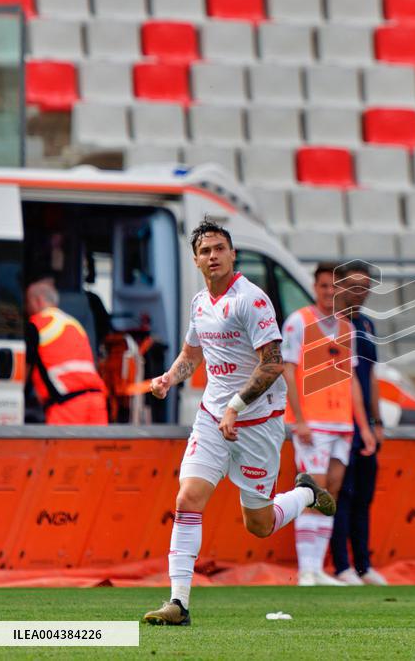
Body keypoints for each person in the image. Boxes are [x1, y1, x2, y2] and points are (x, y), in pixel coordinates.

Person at [143, 221, 335, 626]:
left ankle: (305, 493)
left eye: (219, 248)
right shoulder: (200, 303)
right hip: (213, 418)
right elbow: (192, 355)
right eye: (205, 250)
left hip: (258, 422)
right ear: (195, 260)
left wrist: (236, 406)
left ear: (232, 254)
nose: (213, 256)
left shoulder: (252, 300)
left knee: (259, 525)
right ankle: (178, 603)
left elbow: (273, 364)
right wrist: (168, 378)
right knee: (187, 498)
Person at [282, 263, 377, 587]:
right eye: (323, 286)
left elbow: (352, 381)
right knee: (314, 490)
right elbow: (288, 372)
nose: (328, 292)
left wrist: (364, 427)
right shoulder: (298, 322)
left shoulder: (347, 328)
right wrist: (299, 419)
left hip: (341, 424)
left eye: (334, 287)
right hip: (313, 423)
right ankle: (306, 569)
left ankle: (317, 568)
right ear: (315, 288)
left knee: (331, 492)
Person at [329, 261, 387, 586]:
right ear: (338, 287)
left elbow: (371, 376)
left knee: (364, 495)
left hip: (364, 423)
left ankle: (364, 565)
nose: (360, 293)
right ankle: (341, 565)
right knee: (342, 494)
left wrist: (377, 421)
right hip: (340, 421)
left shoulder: (365, 324)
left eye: (365, 288)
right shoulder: (329, 326)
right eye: (353, 286)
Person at [25, 276, 108, 425]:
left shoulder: (36, 324)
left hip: (67, 406)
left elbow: (26, 367)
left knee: (63, 442)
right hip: (96, 401)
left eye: (28, 302)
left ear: (38, 301)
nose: (27, 308)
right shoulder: (74, 323)